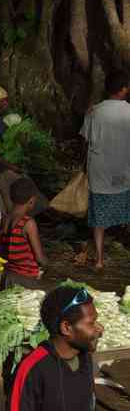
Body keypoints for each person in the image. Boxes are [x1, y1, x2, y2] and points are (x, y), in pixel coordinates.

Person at [0, 83, 47, 216]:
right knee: (13, 188)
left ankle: (30, 215)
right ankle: (14, 217)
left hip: (2, 161)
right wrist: (9, 165)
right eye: (2, 101)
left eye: (6, 100)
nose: (6, 103)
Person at [81, 69, 130, 270]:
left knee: (99, 220)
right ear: (124, 89)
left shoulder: (94, 111)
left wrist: (83, 166)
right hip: (123, 173)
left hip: (99, 172)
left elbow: (84, 141)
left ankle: (99, 260)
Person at [0, 177, 47, 290]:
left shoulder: (5, 219)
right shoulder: (28, 223)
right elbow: (40, 258)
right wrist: (47, 265)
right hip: (26, 279)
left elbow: (1, 253)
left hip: (8, 277)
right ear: (31, 201)